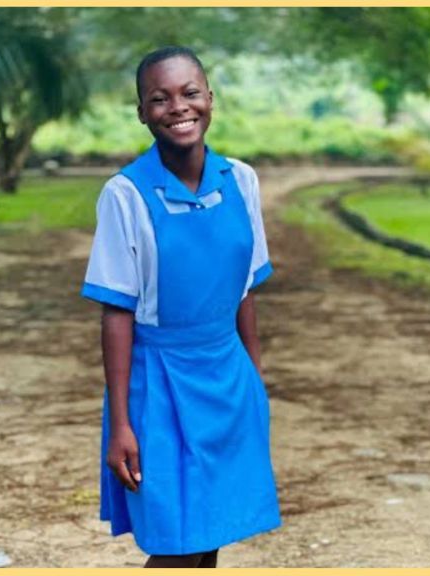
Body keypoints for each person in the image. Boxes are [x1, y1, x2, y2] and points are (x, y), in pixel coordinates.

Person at [81, 46, 281, 568]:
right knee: (176, 543)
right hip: (161, 386)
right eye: (159, 98)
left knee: (211, 534)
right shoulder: (125, 194)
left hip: (229, 379)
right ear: (142, 111)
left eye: (190, 93)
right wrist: (122, 424)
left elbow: (244, 293)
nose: (178, 107)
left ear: (210, 99)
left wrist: (254, 384)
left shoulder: (241, 181)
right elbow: (116, 313)